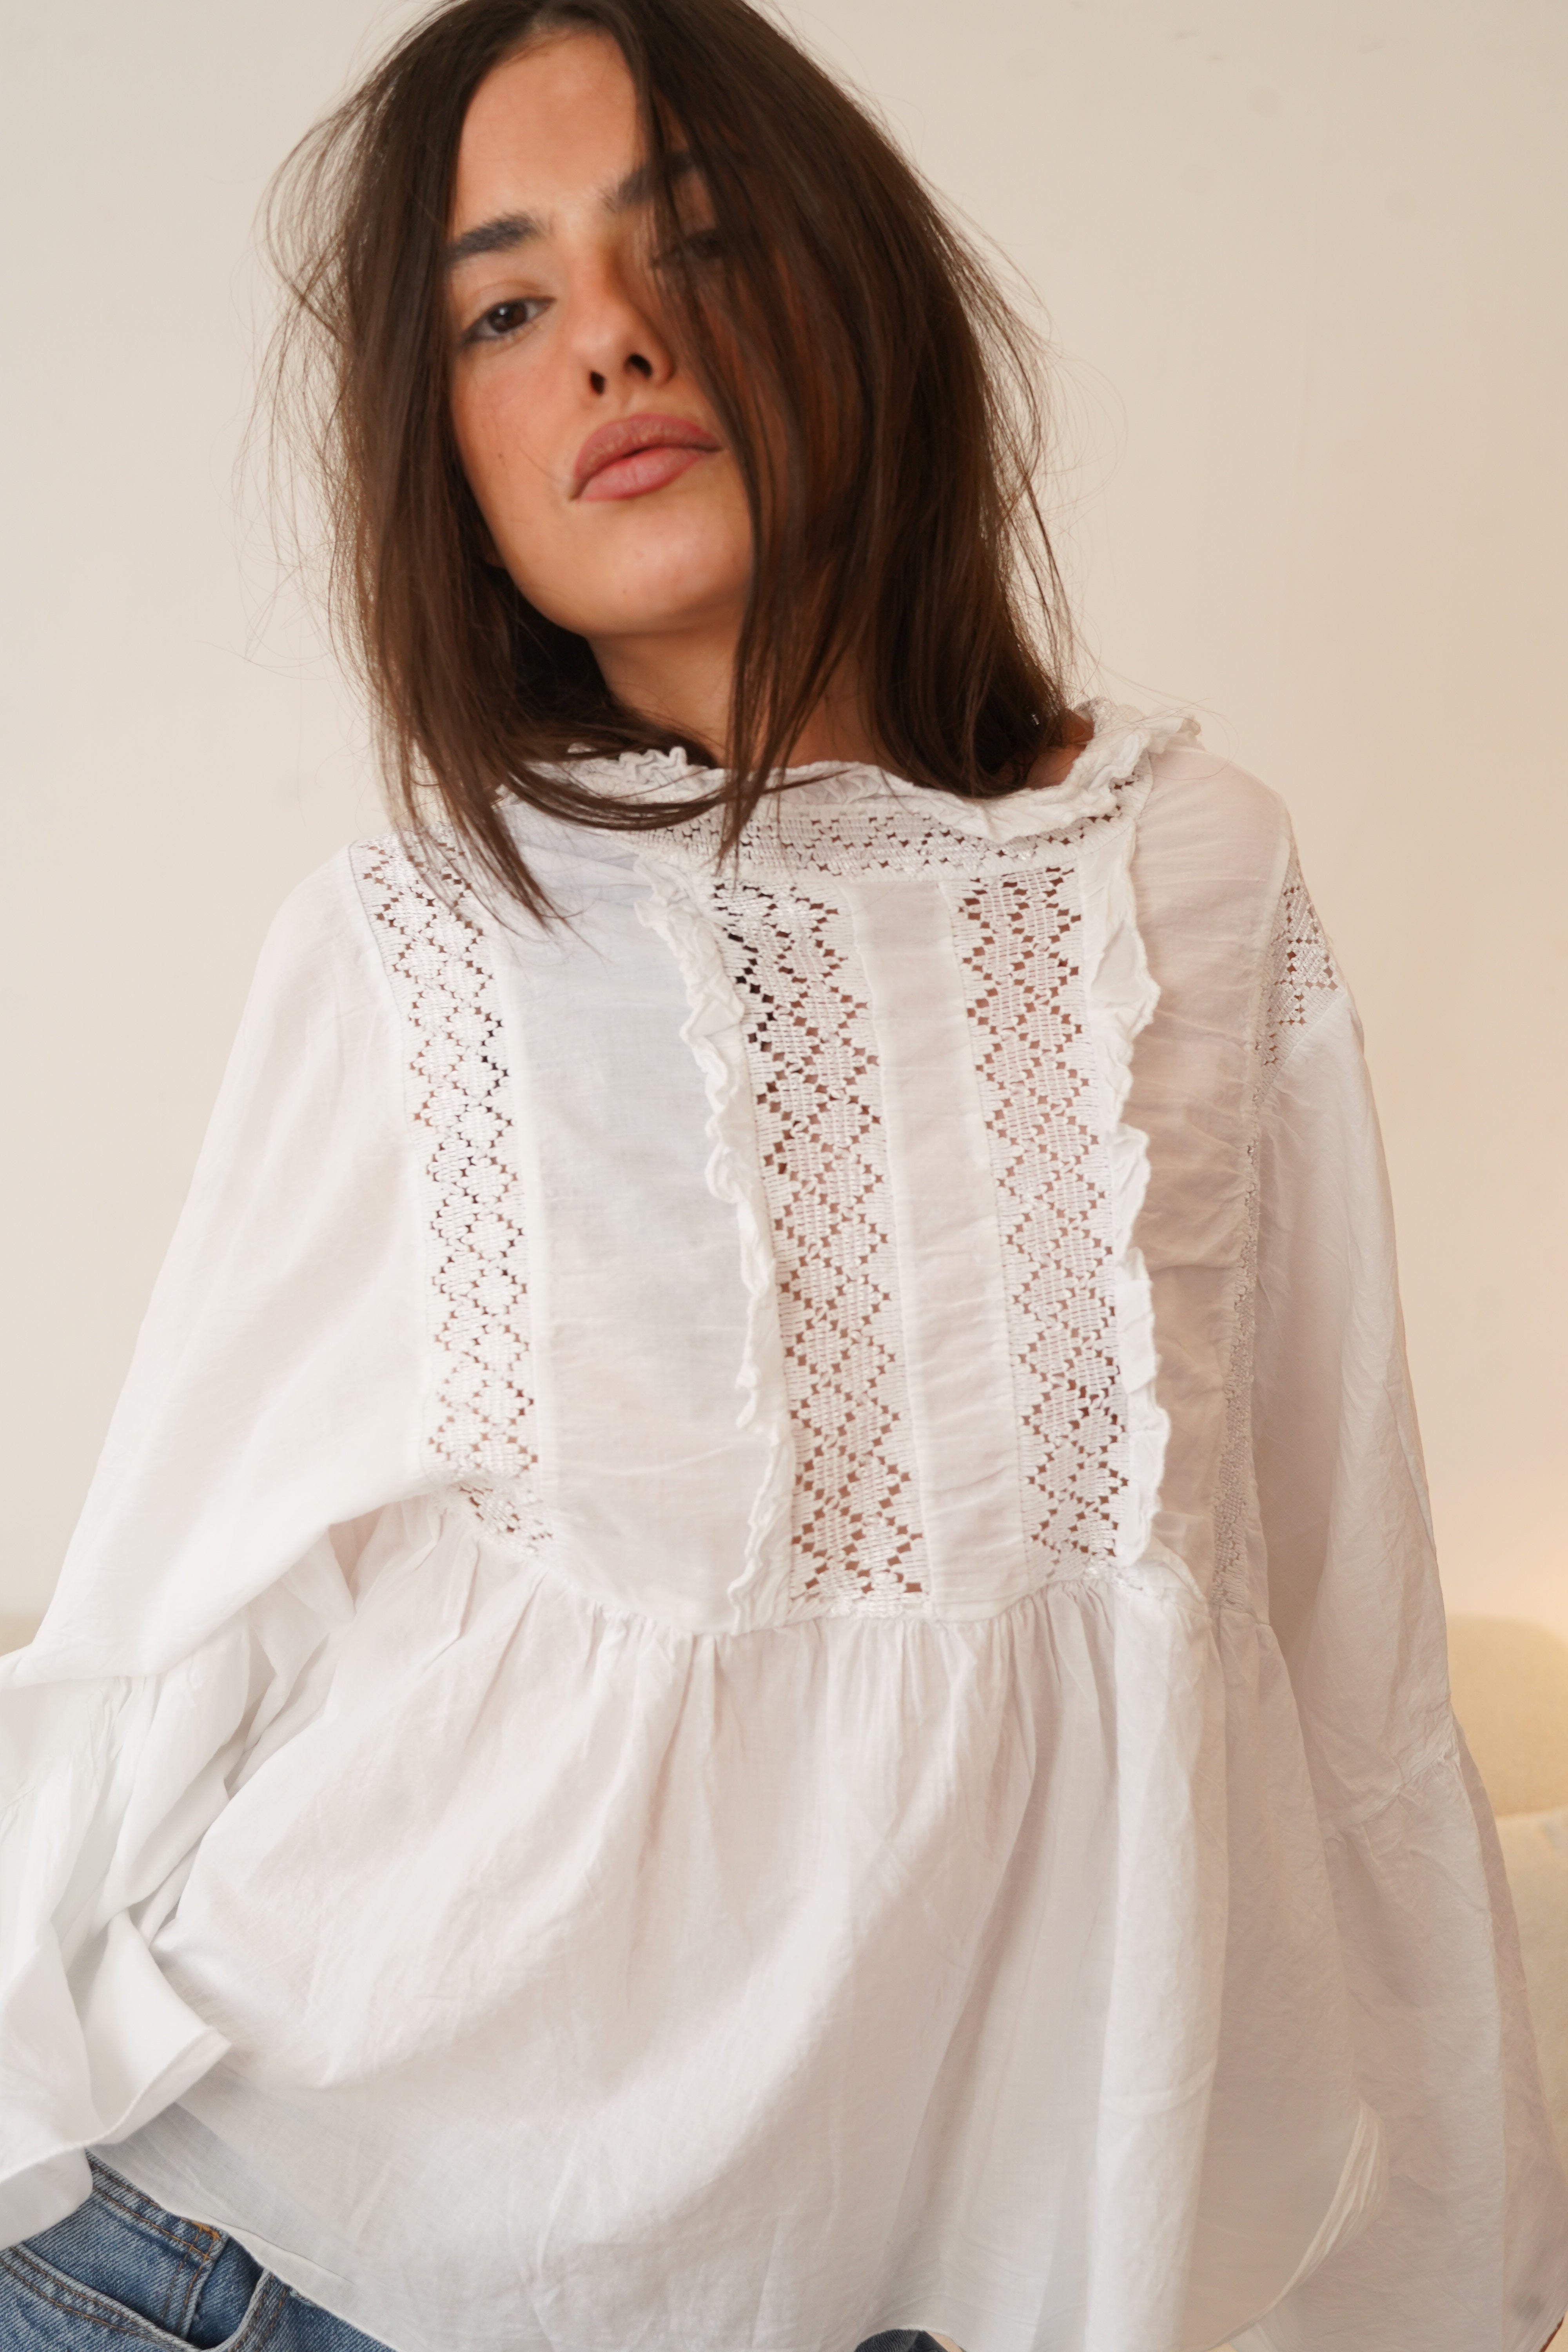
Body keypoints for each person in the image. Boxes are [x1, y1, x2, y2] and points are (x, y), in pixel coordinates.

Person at [1, 0, 1564, 2347]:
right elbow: (178, 1632)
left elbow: (1334, 1640)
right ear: (448, 451)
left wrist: (1457, 2256)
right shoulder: (419, 942)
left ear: (863, 288)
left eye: (700, 243)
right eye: (503, 309)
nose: (613, 339)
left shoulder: (1200, 884)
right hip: (266, 2271)